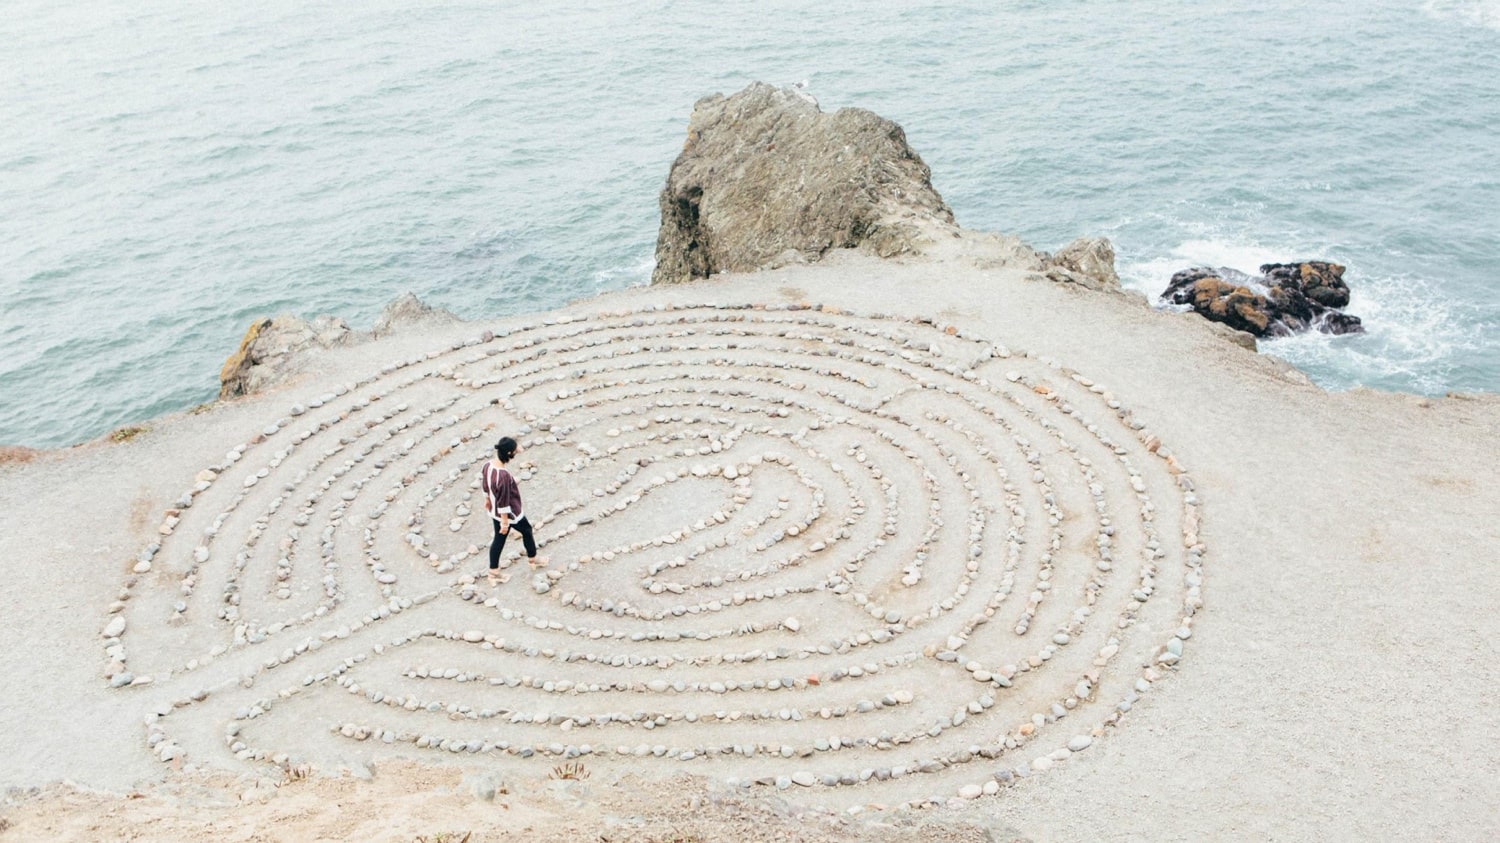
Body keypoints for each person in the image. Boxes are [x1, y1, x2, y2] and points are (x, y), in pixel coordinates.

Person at [479, 436, 546, 582]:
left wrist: (487, 499)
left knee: (499, 540)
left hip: (494, 511)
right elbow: (503, 500)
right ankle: (533, 559)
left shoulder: (488, 465)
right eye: (514, 451)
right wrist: (505, 522)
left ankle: (493, 572)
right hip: (510, 513)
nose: (516, 452)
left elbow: (485, 484)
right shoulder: (503, 476)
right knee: (526, 530)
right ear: (509, 453)